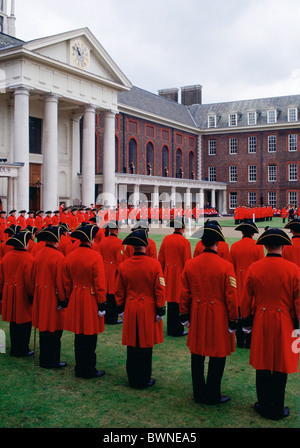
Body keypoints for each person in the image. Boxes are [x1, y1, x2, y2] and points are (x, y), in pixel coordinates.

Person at [241, 228, 300, 420]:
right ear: (283, 246)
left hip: (261, 319)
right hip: (285, 322)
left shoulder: (254, 268)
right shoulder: (294, 270)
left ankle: (264, 404)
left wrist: (246, 321)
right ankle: (278, 407)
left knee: (263, 363)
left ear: (265, 246)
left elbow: (245, 300)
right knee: (281, 364)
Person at [180, 222, 238, 405]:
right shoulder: (226, 266)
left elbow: (184, 293)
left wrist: (184, 314)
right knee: (218, 354)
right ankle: (213, 393)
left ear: (202, 243)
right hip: (218, 314)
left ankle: (199, 392)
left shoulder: (190, 264)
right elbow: (231, 296)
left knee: (197, 354)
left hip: (197, 312)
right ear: (218, 244)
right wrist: (233, 319)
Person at [115, 228, 165, 388]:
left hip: (130, 306)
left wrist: (120, 308)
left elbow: (119, 290)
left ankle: (132, 377)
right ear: (146, 245)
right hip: (148, 307)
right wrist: (160, 308)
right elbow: (159, 289)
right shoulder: (154, 265)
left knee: (132, 344)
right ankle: (144, 378)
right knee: (145, 344)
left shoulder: (124, 265)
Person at [63, 223, 107, 379]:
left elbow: (66, 282)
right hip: (90, 298)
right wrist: (102, 303)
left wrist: (68, 297)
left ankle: (79, 366)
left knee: (79, 335)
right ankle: (88, 368)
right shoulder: (95, 256)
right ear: (90, 239)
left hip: (75, 296)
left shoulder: (70, 256)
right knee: (90, 335)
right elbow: (100, 283)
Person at [31, 226, 67, 369]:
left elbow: (32, 276)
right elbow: (61, 281)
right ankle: (51, 360)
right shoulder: (59, 256)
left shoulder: (38, 253)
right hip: (53, 296)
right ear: (56, 240)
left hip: (40, 294)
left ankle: (45, 359)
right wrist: (63, 299)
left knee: (44, 329)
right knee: (55, 330)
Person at [229, 220, 265, 348]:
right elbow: (261, 268)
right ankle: (250, 341)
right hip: (253, 283)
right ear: (253, 234)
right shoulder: (258, 246)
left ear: (242, 232)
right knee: (251, 311)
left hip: (238, 283)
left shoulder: (234, 246)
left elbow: (231, 269)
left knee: (239, 312)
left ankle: (239, 340)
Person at [0, 230, 34, 357]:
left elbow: (1, 277)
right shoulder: (28, 258)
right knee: (25, 322)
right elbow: (29, 280)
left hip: (9, 291)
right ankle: (22, 349)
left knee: (14, 322)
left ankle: (15, 347)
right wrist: (32, 295)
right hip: (22, 293)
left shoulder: (7, 256)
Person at [158, 217, 191, 336]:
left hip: (168, 274)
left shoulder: (166, 239)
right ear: (183, 227)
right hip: (180, 275)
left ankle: (171, 328)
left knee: (170, 302)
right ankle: (177, 329)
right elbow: (187, 262)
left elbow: (160, 259)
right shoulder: (185, 242)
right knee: (178, 302)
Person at [99, 221, 124, 325]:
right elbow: (120, 260)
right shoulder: (119, 242)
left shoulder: (102, 241)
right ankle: (112, 318)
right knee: (113, 294)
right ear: (116, 229)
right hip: (113, 270)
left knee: (105, 293)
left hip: (103, 268)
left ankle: (104, 316)